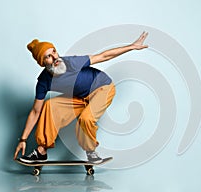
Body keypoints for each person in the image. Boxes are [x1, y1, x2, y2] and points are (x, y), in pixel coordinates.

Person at [13, 32, 149, 163]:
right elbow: (36, 111)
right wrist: (23, 139)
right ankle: (41, 151)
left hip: (103, 88)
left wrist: (131, 46)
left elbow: (103, 56)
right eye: (48, 56)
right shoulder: (44, 81)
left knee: (86, 118)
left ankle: (91, 152)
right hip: (80, 97)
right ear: (43, 63)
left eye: (54, 51)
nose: (55, 58)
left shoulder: (72, 63)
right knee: (49, 106)